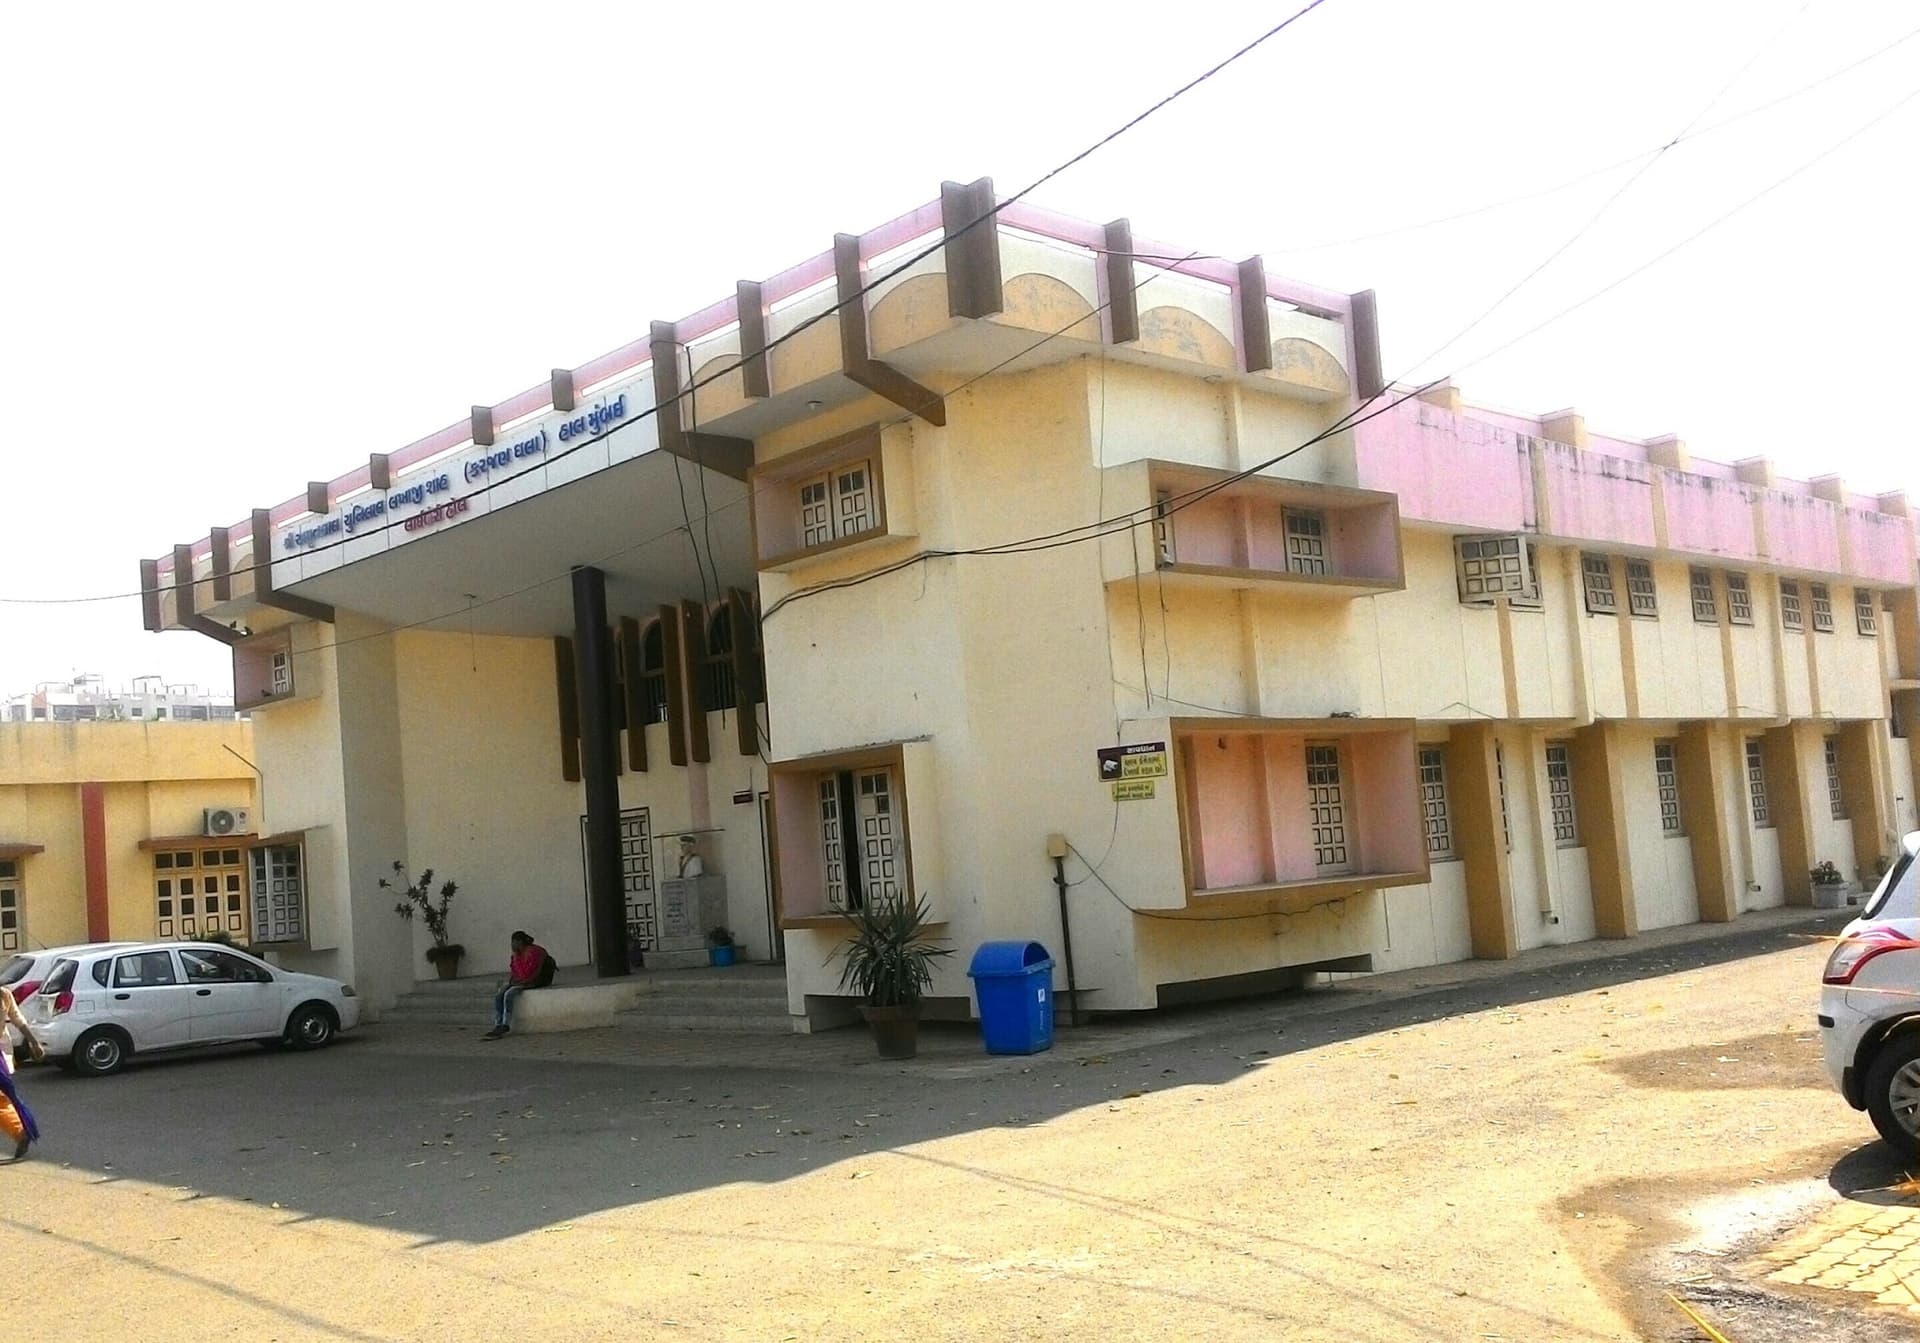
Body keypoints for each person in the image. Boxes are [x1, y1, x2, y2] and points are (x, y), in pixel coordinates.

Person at [0, 984, 46, 1161]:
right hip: (2, 1056)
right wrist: (34, 1042)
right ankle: (20, 1132)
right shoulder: (4, 994)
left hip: (2, 1055)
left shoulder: (4, 995)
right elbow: (18, 1020)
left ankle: (20, 1132)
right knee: (3, 1100)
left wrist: (34, 1043)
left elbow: (18, 1019)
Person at [482, 931, 550, 1040]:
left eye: (513, 942)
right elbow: (514, 972)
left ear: (519, 942)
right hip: (521, 981)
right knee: (500, 994)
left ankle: (505, 1024)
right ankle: (497, 1024)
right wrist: (514, 980)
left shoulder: (533, 952)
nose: (511, 945)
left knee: (509, 994)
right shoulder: (517, 954)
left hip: (535, 980)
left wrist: (519, 981)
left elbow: (531, 973)